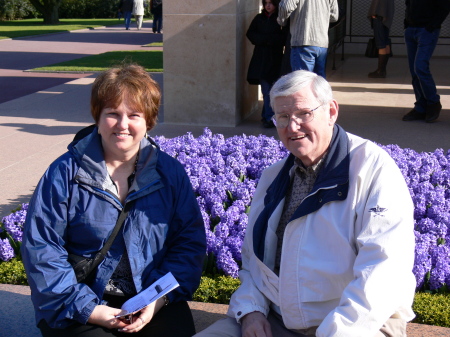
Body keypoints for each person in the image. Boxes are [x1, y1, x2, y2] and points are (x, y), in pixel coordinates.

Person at [194, 70, 416, 337]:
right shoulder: (273, 177)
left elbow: (383, 272)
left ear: (331, 111)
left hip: (359, 324)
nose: (292, 126)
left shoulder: (373, 168)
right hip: (277, 318)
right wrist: (251, 311)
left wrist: (335, 332)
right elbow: (254, 263)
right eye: (283, 117)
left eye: (303, 114)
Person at [21, 64, 206, 337]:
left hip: (149, 297)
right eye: (112, 114)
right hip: (77, 301)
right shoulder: (64, 173)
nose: (122, 125)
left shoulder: (170, 174)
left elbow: (188, 243)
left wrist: (157, 300)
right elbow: (42, 249)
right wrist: (90, 310)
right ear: (97, 117)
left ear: (149, 122)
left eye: (134, 115)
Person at [402, 0, 450, 123]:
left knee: (420, 67)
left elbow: (445, 6)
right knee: (414, 71)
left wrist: (432, 26)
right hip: (411, 29)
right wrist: (407, 23)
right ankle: (420, 107)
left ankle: (433, 102)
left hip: (427, 31)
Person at [246, 0, 286, 129]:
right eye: (266, 3)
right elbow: (250, 34)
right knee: (266, 90)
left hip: (275, 59)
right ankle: (268, 117)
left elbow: (284, 37)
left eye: (271, 3)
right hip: (261, 59)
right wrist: (264, 40)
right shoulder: (259, 18)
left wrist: (269, 40)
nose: (268, 6)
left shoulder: (281, 19)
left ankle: (268, 116)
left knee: (272, 90)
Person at [277, 0, 339, 78]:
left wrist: (281, 21)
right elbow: (334, 16)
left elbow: (286, 7)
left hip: (303, 41)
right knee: (318, 84)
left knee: (302, 82)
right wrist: (321, 18)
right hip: (321, 43)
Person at [367, 0, 395, 78]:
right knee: (385, 43)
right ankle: (382, 70)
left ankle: (380, 71)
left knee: (381, 44)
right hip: (385, 17)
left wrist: (374, 14)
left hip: (379, 17)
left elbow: (377, 5)